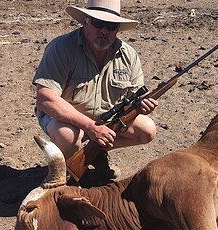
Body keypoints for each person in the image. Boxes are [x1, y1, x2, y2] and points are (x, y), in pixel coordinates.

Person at [33, 0, 158, 179]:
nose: (104, 31)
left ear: (118, 29)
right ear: (85, 21)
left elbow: (135, 97)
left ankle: (96, 153)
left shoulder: (128, 55)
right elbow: (45, 99)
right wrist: (90, 127)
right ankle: (65, 168)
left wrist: (143, 105)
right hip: (63, 118)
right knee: (69, 136)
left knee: (146, 129)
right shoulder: (61, 48)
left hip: (106, 118)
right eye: (98, 23)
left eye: (111, 26)